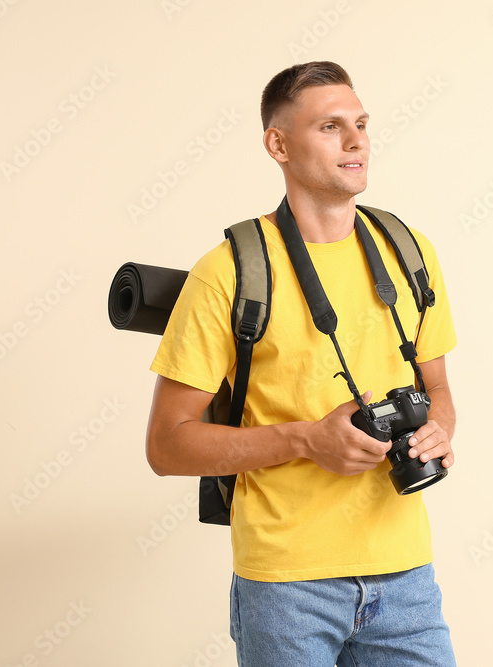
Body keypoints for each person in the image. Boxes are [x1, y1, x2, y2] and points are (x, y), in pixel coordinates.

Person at [145, 61, 458, 666]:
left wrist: (438, 429)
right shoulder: (230, 271)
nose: (356, 140)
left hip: (407, 577)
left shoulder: (410, 251)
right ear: (278, 144)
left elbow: (438, 386)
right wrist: (306, 441)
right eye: (331, 126)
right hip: (286, 585)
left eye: (361, 124)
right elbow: (167, 445)